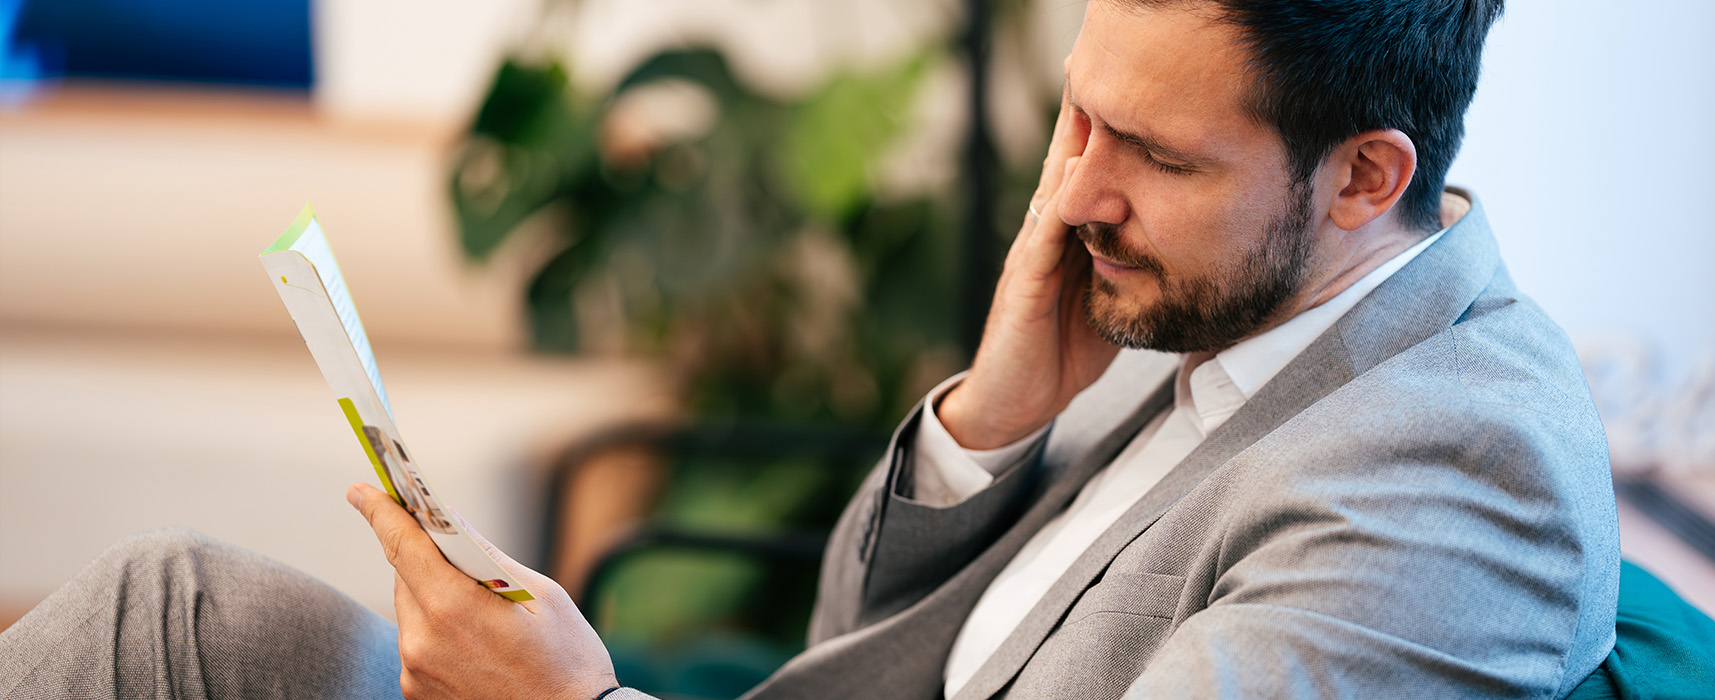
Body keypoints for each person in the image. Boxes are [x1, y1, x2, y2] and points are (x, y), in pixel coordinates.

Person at [0, 0, 1619, 698]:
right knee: (188, 618)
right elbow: (858, 658)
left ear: (1365, 177)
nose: (1078, 192)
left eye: (1157, 156)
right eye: (1076, 116)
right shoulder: (1267, 321)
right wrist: (995, 420)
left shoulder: (1455, 467)